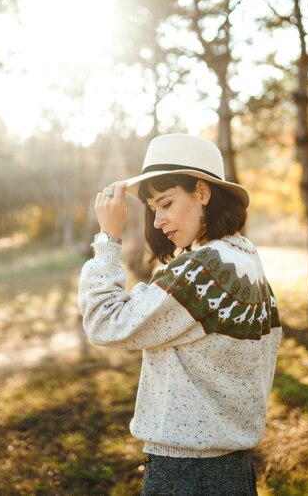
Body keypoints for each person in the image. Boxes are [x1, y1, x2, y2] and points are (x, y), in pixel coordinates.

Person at [78, 133, 281, 496]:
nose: (158, 221)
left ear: (202, 193)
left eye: (166, 203)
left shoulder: (206, 270)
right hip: (231, 470)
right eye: (153, 208)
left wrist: (107, 238)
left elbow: (104, 322)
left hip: (189, 473)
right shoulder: (244, 257)